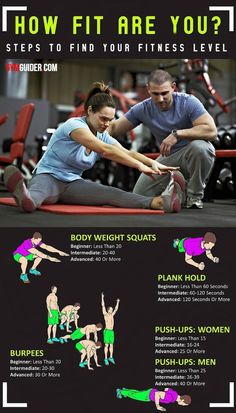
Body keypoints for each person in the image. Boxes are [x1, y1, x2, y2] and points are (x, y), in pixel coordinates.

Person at [4, 82, 185, 214]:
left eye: (110, 120)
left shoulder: (102, 133)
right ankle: (25, 197)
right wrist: (139, 166)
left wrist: (153, 163)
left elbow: (127, 152)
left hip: (73, 184)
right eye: (103, 118)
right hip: (47, 177)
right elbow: (105, 151)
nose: (107, 124)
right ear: (90, 111)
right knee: (36, 196)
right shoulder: (73, 125)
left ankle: (161, 202)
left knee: (111, 193)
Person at [109, 69, 217, 209]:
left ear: (173, 87)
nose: (160, 99)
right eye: (155, 94)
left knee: (201, 148)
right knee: (140, 195)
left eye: (164, 93)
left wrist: (177, 134)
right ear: (148, 89)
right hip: (168, 158)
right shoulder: (143, 109)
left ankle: (194, 197)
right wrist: (86, 131)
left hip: (191, 154)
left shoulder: (188, 102)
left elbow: (212, 130)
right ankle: (180, 186)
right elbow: (114, 128)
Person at [116, 387, 191, 412]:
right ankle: (121, 391)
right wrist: (158, 406)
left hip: (151, 392)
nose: (183, 405)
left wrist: (163, 394)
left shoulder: (175, 394)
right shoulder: (171, 398)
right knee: (135, 396)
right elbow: (157, 394)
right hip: (149, 396)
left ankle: (125, 390)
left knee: (137, 393)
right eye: (184, 404)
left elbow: (166, 388)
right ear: (183, 400)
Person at [101, 292, 120, 366]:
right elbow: (103, 305)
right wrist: (102, 297)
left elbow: (116, 309)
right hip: (106, 331)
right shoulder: (105, 314)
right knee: (106, 345)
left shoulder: (112, 315)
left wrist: (117, 302)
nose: (111, 311)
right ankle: (105, 358)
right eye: (110, 310)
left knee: (111, 345)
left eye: (112, 310)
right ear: (108, 310)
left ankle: (111, 357)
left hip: (112, 331)